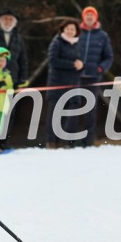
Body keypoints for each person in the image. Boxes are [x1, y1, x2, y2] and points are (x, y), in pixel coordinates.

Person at [76, 6, 114, 146]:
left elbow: (109, 57)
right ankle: (70, 141)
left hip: (93, 77)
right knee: (73, 105)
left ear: (96, 18)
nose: (89, 17)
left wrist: (100, 68)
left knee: (90, 110)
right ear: (83, 18)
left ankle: (88, 142)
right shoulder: (77, 32)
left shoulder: (102, 36)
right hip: (76, 77)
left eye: (92, 15)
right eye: (87, 15)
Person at [46, 19, 83, 148]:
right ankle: (52, 142)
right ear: (63, 29)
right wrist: (72, 65)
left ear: (76, 32)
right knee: (55, 115)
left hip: (73, 85)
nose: (70, 31)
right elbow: (53, 60)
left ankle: (64, 142)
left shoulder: (78, 45)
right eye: (68, 28)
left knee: (70, 114)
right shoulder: (56, 43)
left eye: (73, 29)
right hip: (57, 84)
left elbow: (80, 62)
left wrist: (81, 66)